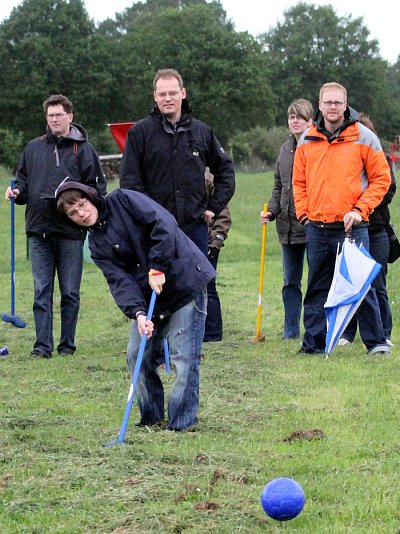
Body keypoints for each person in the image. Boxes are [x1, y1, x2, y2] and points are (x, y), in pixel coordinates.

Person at [55, 180, 215, 431]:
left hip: (184, 281)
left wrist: (158, 266)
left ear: (90, 198)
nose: (81, 214)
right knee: (136, 354)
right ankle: (151, 418)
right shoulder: (96, 244)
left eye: (81, 205)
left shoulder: (123, 200)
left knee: (183, 356)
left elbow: (163, 224)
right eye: (73, 213)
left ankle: (181, 423)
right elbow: (120, 282)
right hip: (149, 295)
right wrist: (139, 313)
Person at [292, 82, 392, 356]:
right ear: (320, 105)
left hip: (353, 226)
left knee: (362, 286)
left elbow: (382, 179)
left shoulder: (364, 136)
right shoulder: (306, 140)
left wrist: (360, 210)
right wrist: (303, 214)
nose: (333, 107)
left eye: (338, 102)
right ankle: (312, 344)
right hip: (317, 227)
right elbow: (298, 182)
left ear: (345, 105)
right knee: (317, 287)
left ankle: (377, 343)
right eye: (328, 102)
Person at [5, 94, 106, 359]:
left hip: (71, 232)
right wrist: (16, 193)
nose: (54, 120)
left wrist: (81, 206)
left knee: (70, 291)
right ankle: (42, 346)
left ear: (70, 116)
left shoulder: (84, 150)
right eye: (50, 116)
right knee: (41, 290)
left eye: (59, 115)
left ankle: (67, 345)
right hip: (38, 230)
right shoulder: (33, 148)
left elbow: (98, 190)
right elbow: (23, 184)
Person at [119, 68, 235, 256]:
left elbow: (226, 171)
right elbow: (130, 182)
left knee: (195, 284)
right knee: (157, 283)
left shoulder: (202, 132)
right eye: (162, 94)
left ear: (183, 93)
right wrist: (148, 214)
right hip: (153, 229)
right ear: (155, 96)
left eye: (172, 93)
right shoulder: (139, 133)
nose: (168, 98)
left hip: (194, 228)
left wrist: (213, 207)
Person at [338, 113, 396, 347]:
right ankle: (347, 332)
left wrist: (363, 205)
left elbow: (388, 188)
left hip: (377, 228)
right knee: (351, 282)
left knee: (377, 283)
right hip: (351, 228)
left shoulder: (379, 155)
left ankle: (385, 333)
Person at [260, 99, 313, 339]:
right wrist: (271, 211)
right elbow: (279, 186)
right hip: (287, 227)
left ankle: (317, 329)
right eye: (292, 117)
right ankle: (291, 331)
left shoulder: (317, 147)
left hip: (313, 226)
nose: (295, 121)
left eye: (300, 117)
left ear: (310, 120)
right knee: (290, 281)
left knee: (317, 282)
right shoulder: (284, 150)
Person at [203, 169, 232, 342]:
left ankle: (213, 333)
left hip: (208, 243)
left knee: (209, 287)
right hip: (187, 242)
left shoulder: (208, 178)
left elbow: (223, 215)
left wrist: (215, 242)